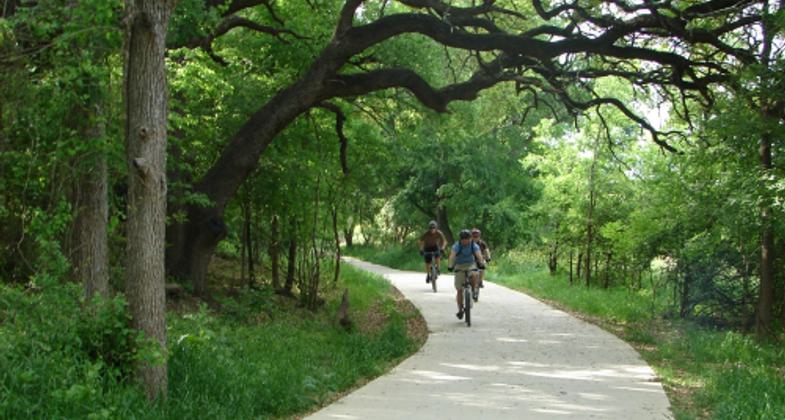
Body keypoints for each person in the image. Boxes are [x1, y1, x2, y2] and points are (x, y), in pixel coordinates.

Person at [448, 229, 486, 320]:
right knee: (459, 290)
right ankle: (460, 310)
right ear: (460, 239)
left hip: (470, 264)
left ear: (470, 239)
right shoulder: (457, 246)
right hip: (459, 265)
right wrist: (450, 265)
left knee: (474, 274)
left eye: (467, 238)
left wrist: (481, 263)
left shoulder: (474, 245)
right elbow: (452, 255)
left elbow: (479, 255)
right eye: (463, 239)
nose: (465, 240)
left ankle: (473, 290)